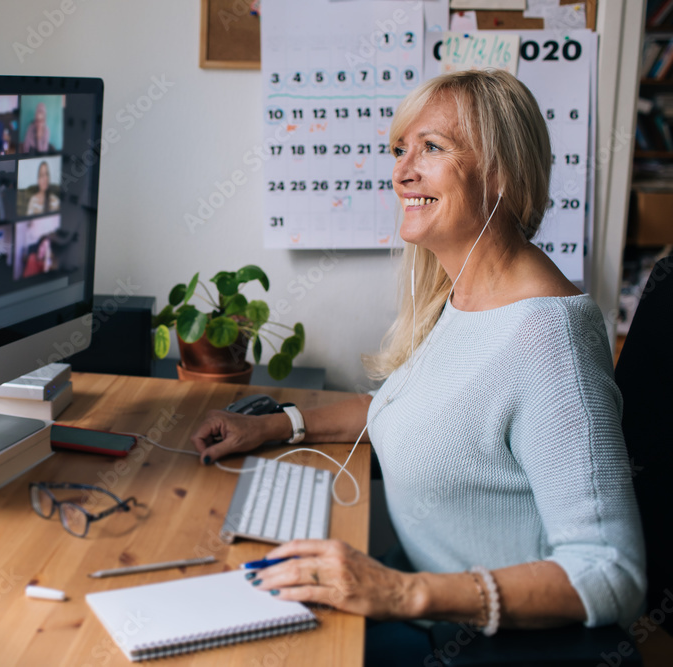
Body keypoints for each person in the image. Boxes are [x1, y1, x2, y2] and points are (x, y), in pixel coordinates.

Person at [190, 70, 645, 660]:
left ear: (502, 172)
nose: (403, 172)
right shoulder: (463, 295)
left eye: (432, 148)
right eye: (400, 150)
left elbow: (612, 574)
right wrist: (277, 425)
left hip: (487, 644)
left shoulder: (549, 340)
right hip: (430, 610)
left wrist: (403, 593)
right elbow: (417, 409)